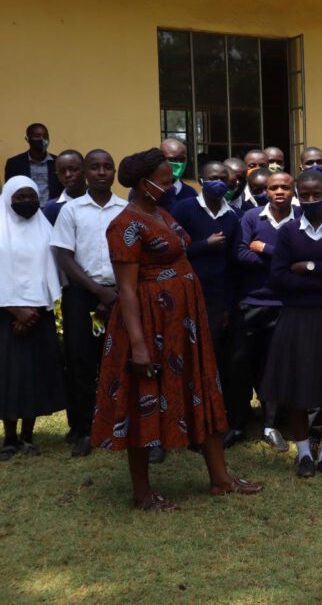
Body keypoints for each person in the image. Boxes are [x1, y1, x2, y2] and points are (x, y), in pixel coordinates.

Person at [92, 149, 262, 509]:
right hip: (149, 324)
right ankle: (142, 493)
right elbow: (126, 290)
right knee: (143, 399)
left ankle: (221, 479)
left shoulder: (161, 212)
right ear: (144, 184)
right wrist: (139, 346)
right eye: (165, 181)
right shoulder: (124, 225)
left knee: (203, 388)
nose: (172, 186)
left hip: (183, 324)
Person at [261, 169, 322, 478]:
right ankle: (304, 454)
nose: (310, 200)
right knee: (297, 386)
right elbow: (278, 277)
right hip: (298, 317)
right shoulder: (288, 231)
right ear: (296, 196)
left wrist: (309, 266)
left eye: (316, 194)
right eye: (304, 195)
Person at [50, 149, 127, 457]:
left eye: (107, 166)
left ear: (114, 172)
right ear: (84, 172)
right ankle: (84, 429)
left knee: (120, 361)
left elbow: (132, 255)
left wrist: (113, 293)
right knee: (80, 361)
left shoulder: (126, 209)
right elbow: (64, 257)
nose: (101, 172)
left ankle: (118, 424)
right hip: (81, 295)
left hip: (120, 293)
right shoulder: (71, 210)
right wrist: (97, 291)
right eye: (94, 167)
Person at [172, 161, 243, 444]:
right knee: (189, 362)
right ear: (201, 180)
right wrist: (204, 245)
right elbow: (173, 250)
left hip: (217, 301)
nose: (219, 182)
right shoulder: (185, 209)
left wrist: (227, 307)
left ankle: (218, 420)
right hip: (187, 297)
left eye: (223, 178)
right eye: (213, 177)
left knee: (219, 363)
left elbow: (234, 264)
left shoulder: (233, 216)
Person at [0, 177, 66, 460]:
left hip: (39, 315)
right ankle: (9, 438)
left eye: (31, 196)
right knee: (9, 376)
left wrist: (33, 312)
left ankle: (28, 436)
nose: (27, 202)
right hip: (5, 318)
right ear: (8, 198)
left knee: (34, 376)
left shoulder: (44, 227)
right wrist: (15, 310)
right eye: (20, 197)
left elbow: (51, 271)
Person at [232, 170, 297, 453]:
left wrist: (267, 249)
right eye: (273, 188)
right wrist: (285, 262)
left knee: (275, 366)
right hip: (251, 303)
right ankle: (238, 423)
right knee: (241, 363)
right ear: (265, 191)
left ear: (293, 191)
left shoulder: (300, 219)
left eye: (285, 187)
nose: (279, 192)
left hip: (285, 305)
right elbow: (241, 254)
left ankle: (271, 425)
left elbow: (304, 256)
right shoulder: (251, 217)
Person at [5, 123, 61, 203]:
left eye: (45, 136)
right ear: (27, 139)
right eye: (37, 136)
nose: (42, 139)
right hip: (25, 207)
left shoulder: (57, 162)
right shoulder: (14, 163)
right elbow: (10, 190)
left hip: (53, 208)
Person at [43, 150, 86, 224]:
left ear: (85, 170)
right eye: (62, 171)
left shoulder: (99, 200)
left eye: (73, 169)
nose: (68, 175)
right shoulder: (52, 208)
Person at [156, 138, 199, 210]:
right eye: (172, 159)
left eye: (182, 159)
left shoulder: (191, 194)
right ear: (160, 159)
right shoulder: (149, 191)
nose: (179, 164)